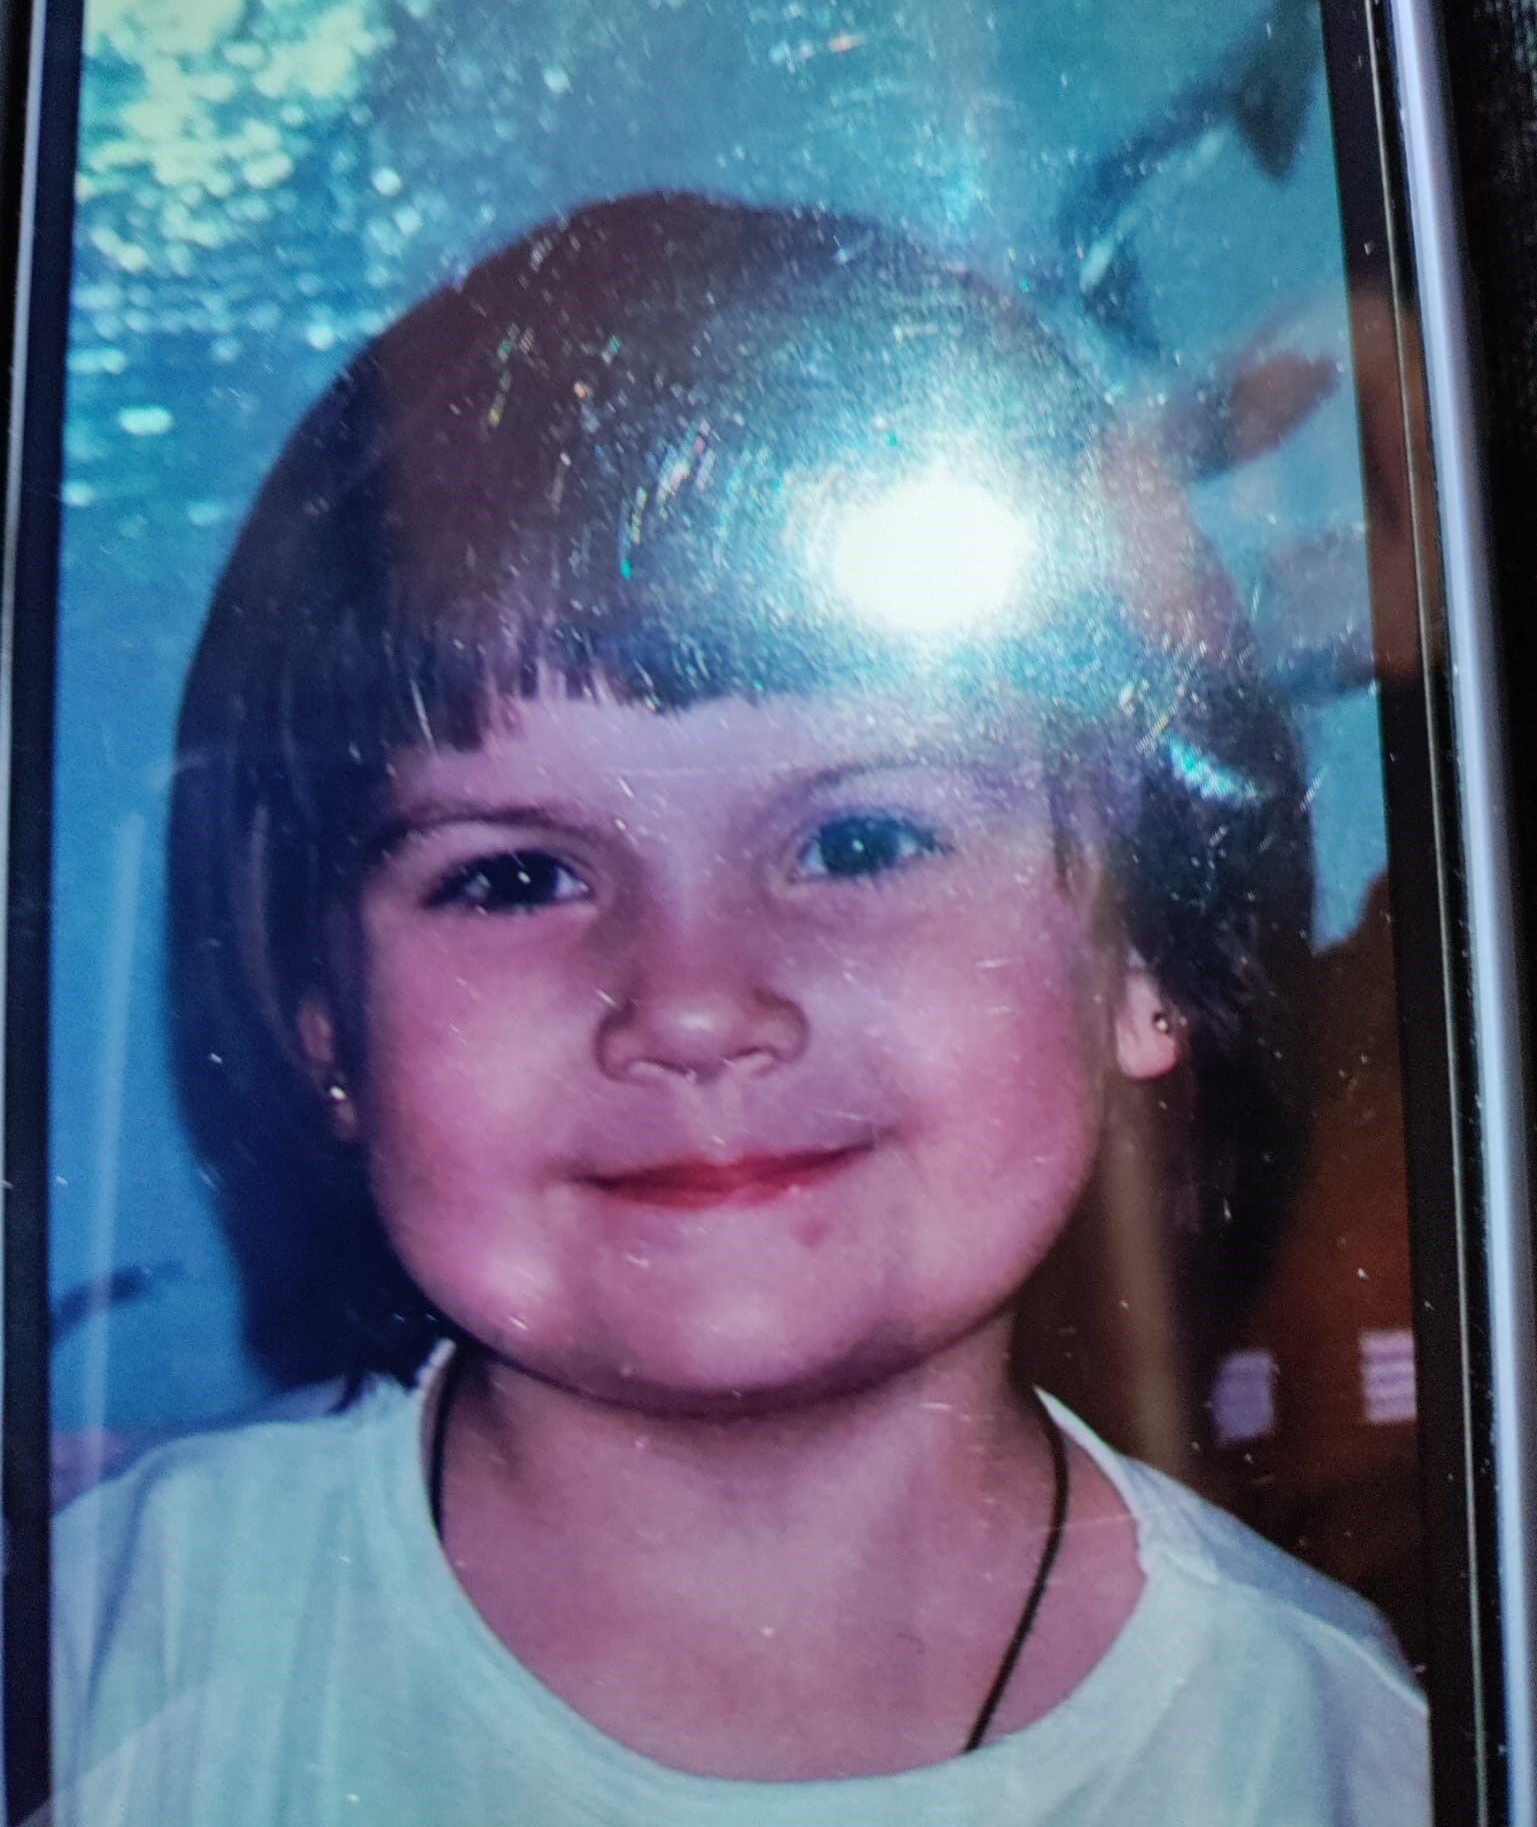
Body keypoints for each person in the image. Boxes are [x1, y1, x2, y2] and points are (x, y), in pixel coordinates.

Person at [53, 192, 1428, 1824]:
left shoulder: (1342, 1756)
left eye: (860, 841)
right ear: (321, 1020)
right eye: (514, 876)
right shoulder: (94, 1664)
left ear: (1147, 961)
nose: (694, 1006)